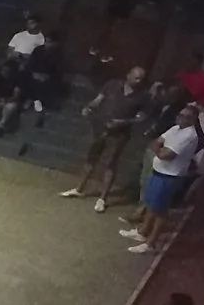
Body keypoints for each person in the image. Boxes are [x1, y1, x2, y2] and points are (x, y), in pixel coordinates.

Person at [63, 65, 151, 211]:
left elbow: (142, 118)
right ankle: (79, 188)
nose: (138, 81)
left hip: (119, 133)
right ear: (128, 74)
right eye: (136, 77)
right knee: (92, 158)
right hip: (100, 127)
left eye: (141, 78)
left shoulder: (143, 96)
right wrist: (89, 107)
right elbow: (99, 99)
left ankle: (102, 198)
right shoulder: (112, 85)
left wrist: (124, 122)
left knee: (110, 163)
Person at [122, 104, 204, 256]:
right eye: (180, 115)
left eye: (186, 116)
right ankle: (143, 231)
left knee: (160, 210)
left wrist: (159, 150)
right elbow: (157, 142)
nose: (181, 118)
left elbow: (166, 155)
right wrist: (160, 149)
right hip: (159, 171)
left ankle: (151, 243)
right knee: (151, 203)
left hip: (170, 176)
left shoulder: (189, 135)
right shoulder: (175, 129)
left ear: (194, 119)